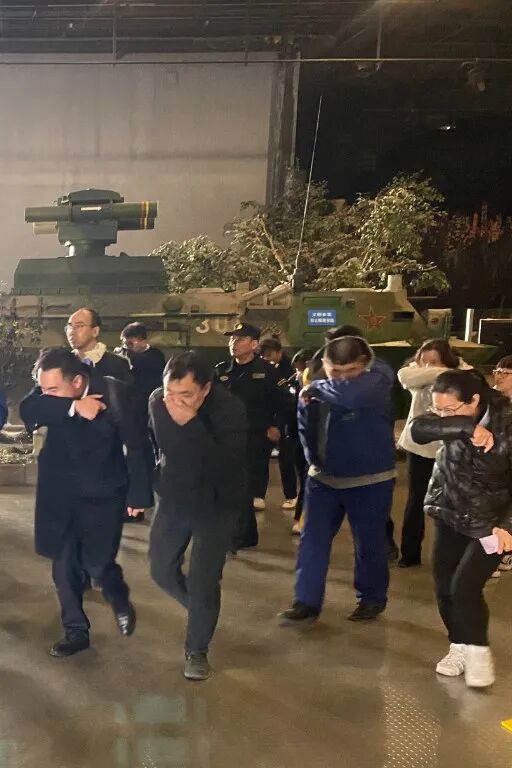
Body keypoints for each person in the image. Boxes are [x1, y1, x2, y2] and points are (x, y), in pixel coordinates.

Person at [19, 347, 152, 657]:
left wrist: (138, 494)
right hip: (59, 494)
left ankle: (118, 597)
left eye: (54, 389)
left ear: (78, 381)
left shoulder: (115, 393)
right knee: (63, 565)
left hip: (103, 494)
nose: (47, 394)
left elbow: (137, 446)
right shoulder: (51, 391)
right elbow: (29, 409)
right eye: (43, 388)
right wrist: (72, 407)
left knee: (98, 564)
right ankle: (75, 631)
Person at [279, 336, 396, 626]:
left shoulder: (377, 381)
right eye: (336, 372)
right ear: (325, 364)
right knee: (311, 542)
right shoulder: (314, 386)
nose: (343, 378)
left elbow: (350, 396)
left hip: (370, 481)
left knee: (369, 544)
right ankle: (306, 602)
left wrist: (315, 387)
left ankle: (371, 599)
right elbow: (305, 428)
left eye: (351, 371)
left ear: (364, 365)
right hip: (323, 480)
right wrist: (314, 463)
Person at [148, 352, 247, 681]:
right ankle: (202, 610)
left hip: (218, 501)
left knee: (204, 579)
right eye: (170, 392)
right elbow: (170, 449)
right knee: (161, 569)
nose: (175, 402)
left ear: (206, 389)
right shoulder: (157, 400)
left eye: (186, 394)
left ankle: (197, 649)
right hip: (175, 497)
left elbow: (219, 465)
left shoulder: (230, 409)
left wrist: (190, 424)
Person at [411, 370, 512, 688]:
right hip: (450, 511)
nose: (443, 416)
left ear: (475, 400)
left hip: (492, 523)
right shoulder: (452, 419)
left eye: (450, 410)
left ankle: (478, 651)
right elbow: (418, 429)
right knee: (444, 586)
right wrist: (464, 425)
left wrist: (507, 526)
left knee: (464, 586)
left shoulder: (507, 422)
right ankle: (459, 645)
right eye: (438, 409)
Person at [305, 324, 399, 559]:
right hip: (327, 466)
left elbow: (348, 394)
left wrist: (315, 387)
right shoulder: (319, 365)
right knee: (316, 538)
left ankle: (386, 546)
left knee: (371, 533)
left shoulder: (377, 372)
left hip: (368, 464)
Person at [397, 339, 470, 568]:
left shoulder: (464, 374)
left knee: (451, 501)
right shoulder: (413, 373)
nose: (427, 366)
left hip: (449, 448)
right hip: (419, 447)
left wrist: (448, 371)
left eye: (434, 361)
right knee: (416, 500)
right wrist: (445, 371)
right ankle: (410, 553)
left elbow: (470, 378)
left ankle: (452, 555)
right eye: (424, 361)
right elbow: (405, 377)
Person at [215, 322, 286, 549]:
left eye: (239, 339)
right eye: (231, 339)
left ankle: (240, 535)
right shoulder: (221, 371)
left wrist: (276, 426)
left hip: (255, 436)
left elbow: (284, 402)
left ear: (254, 344)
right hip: (225, 436)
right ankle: (244, 534)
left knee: (244, 486)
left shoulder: (268, 372)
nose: (233, 343)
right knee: (230, 485)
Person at [259, 337, 299, 512]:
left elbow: (289, 399)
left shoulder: (289, 370)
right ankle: (258, 495)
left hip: (287, 421)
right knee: (260, 459)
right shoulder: (261, 369)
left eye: (269, 355)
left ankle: (291, 495)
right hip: (267, 420)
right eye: (263, 356)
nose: (266, 359)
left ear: (279, 352)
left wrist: (279, 424)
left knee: (286, 460)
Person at [65, 308, 132, 384]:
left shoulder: (117, 364)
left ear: (95, 331)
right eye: (70, 327)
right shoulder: (63, 363)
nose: (72, 332)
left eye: (79, 326)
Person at [491, 355, 512, 576]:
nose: (499, 377)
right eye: (497, 371)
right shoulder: (490, 400)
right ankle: (493, 558)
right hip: (495, 466)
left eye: (505, 373)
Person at [118, 321, 166, 406]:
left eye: (130, 344)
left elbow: (146, 363)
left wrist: (128, 355)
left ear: (143, 342)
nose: (126, 347)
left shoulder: (156, 355)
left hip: (149, 401)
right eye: (124, 344)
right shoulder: (124, 354)